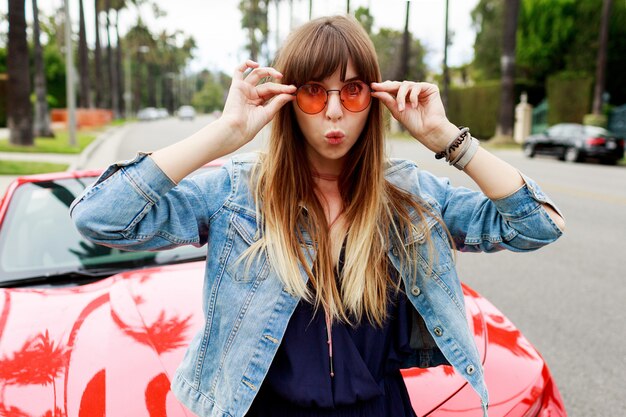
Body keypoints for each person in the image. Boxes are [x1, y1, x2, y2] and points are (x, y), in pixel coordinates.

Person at [71, 15, 564, 417]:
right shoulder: (238, 193)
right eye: (312, 91)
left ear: (372, 100)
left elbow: (535, 225)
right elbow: (101, 218)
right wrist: (223, 135)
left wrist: (449, 140)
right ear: (289, 100)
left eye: (351, 91)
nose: (333, 112)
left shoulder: (406, 194)